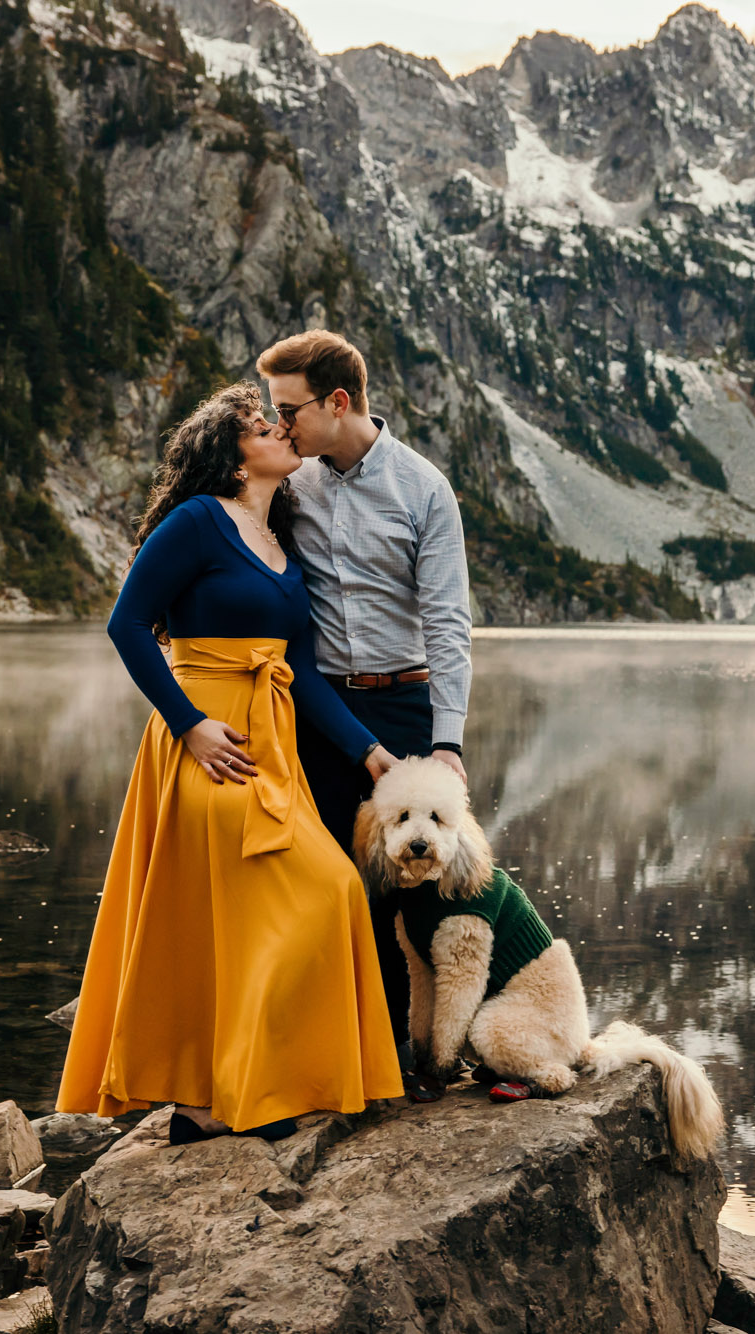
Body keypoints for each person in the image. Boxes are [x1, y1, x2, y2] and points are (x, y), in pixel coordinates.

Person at [55, 383, 404, 1141]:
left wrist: (369, 752)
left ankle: (249, 1086)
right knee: (269, 905)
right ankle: (202, 1101)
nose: (281, 431)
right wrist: (188, 726)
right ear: (233, 454)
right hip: (206, 743)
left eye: (278, 421)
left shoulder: (283, 545)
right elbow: (127, 626)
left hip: (269, 741)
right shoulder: (196, 522)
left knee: (333, 890)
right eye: (261, 425)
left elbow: (301, 673)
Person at [256, 331, 473, 1080]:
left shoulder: (423, 488)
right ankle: (348, 1051)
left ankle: (427, 1050)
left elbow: (447, 622)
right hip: (320, 712)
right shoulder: (294, 484)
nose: (279, 424)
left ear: (338, 402)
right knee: (328, 880)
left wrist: (447, 742)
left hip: (407, 709)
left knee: (419, 889)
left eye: (289, 409)